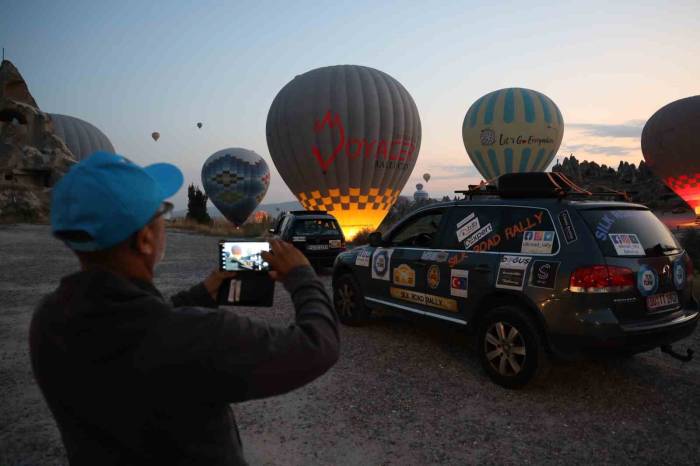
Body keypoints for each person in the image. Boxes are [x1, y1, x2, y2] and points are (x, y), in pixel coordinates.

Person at [29, 152, 339, 465]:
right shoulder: (197, 335)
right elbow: (318, 346)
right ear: (145, 238)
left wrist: (202, 293)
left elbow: (138, 325)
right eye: (160, 215)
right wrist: (301, 276)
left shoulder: (49, 319)